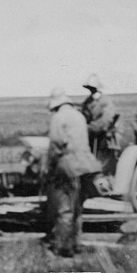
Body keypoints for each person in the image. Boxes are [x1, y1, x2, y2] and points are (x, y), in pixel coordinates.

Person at [45, 87, 101, 258]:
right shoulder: (79, 116)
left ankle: (63, 247)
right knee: (77, 207)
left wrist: (50, 165)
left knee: (64, 208)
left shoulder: (58, 117)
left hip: (68, 165)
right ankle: (76, 243)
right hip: (86, 165)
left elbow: (56, 143)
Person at [80, 74, 120, 175]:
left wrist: (92, 127)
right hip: (91, 132)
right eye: (89, 87)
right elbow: (84, 115)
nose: (90, 89)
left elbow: (106, 119)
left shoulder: (105, 101)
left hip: (105, 133)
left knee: (102, 156)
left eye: (91, 87)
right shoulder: (88, 101)